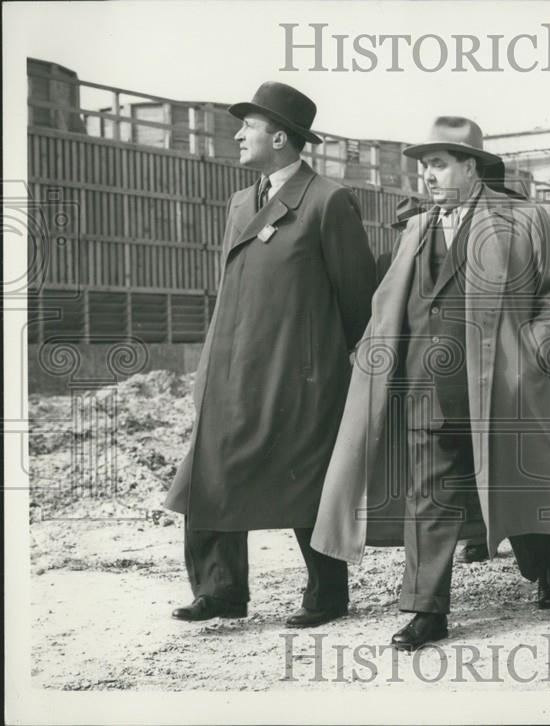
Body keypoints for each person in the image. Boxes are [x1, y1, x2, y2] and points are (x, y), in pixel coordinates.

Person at [310, 116, 550, 651]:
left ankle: (546, 563)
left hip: (500, 390)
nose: (427, 175)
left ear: (470, 166)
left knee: (516, 490)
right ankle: (426, 611)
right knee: (429, 499)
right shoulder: (417, 229)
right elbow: (391, 306)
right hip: (426, 389)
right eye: (424, 165)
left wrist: (532, 359)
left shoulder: (523, 220)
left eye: (439, 164)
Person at [163, 82, 376, 627]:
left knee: (306, 479)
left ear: (280, 137)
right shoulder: (241, 202)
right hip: (233, 368)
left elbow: (357, 297)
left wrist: (335, 366)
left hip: (298, 374)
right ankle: (220, 590)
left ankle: (327, 595)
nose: (237, 134)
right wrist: (210, 362)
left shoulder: (327, 200)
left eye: (248, 127)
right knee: (208, 473)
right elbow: (231, 289)